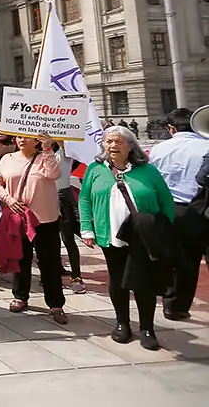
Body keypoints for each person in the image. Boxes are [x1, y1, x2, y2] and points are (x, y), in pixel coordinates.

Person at [79, 126, 175, 350]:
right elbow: (84, 200)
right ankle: (122, 323)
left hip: (142, 236)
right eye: (109, 141)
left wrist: (163, 230)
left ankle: (147, 328)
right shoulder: (95, 169)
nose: (113, 146)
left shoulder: (148, 171)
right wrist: (87, 229)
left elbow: (166, 202)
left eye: (119, 142)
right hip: (110, 234)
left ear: (131, 146)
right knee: (117, 279)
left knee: (144, 282)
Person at [0, 133, 68, 325]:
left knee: (49, 262)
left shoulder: (46, 157)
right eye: (18, 137)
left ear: (37, 140)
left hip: (45, 219)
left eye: (27, 137)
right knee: (20, 258)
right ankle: (20, 296)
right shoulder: (7, 159)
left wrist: (48, 148)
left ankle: (56, 304)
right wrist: (8, 199)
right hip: (18, 217)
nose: (22, 140)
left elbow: (54, 175)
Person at [148, 108, 209, 321]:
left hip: (172, 209)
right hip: (202, 206)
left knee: (179, 259)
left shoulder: (159, 148)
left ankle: (174, 306)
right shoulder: (206, 146)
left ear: (171, 128)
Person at [53, 141, 86, 294]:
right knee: (47, 240)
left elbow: (66, 143)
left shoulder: (64, 150)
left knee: (68, 238)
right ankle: (52, 272)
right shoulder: (36, 151)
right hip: (42, 196)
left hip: (63, 196)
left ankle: (76, 276)